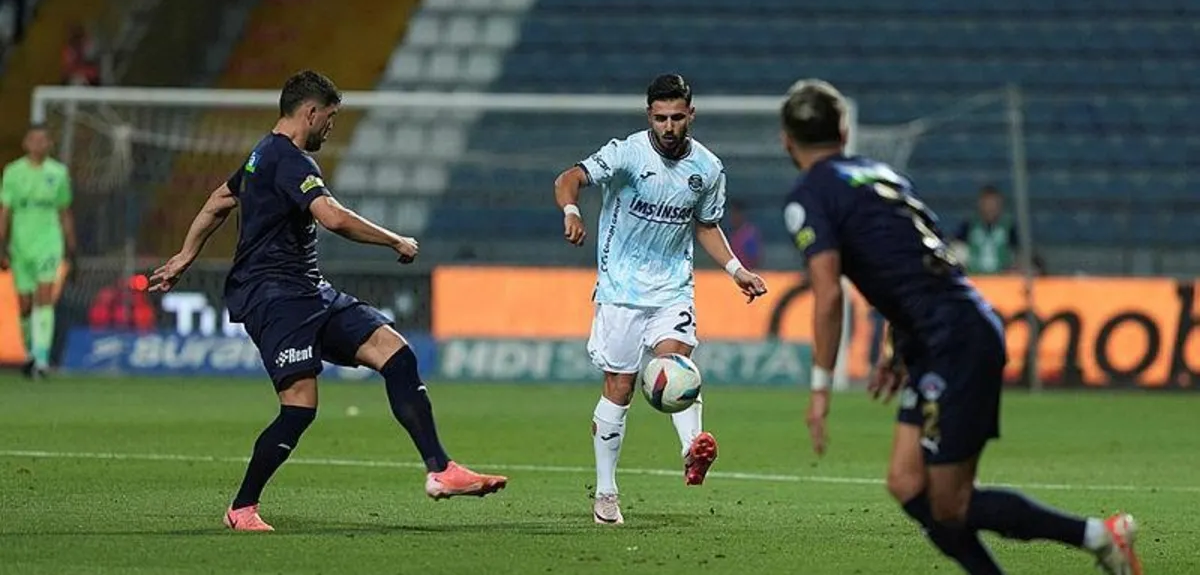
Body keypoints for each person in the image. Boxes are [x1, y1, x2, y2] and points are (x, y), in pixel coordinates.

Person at [778, 79, 1141, 575]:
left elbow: (828, 295)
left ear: (786, 140)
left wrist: (820, 389)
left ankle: (1100, 536)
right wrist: (899, 349)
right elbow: (912, 265)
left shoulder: (808, 196)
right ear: (844, 130)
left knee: (950, 503)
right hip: (942, 332)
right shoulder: (882, 174)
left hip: (952, 339)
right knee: (906, 483)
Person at [149, 70, 507, 532]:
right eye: (330, 118)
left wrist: (184, 255)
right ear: (310, 112)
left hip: (310, 290)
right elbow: (332, 218)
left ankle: (440, 470)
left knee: (396, 354)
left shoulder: (261, 155)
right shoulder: (289, 160)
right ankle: (242, 508)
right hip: (275, 297)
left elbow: (220, 199)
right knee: (299, 407)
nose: (330, 128)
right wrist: (395, 239)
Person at [553, 73, 768, 525]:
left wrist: (736, 270)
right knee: (621, 387)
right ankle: (607, 492)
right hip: (620, 290)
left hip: (672, 288)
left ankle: (692, 448)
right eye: (660, 118)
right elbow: (569, 178)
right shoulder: (627, 153)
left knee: (677, 366)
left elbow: (707, 225)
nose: (668, 127)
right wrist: (572, 210)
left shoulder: (707, 169)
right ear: (648, 116)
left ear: (691, 114)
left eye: (676, 117)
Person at [0, 127, 76, 379]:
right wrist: (1, 243)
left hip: (49, 243)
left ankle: (41, 358)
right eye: (33, 139)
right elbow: (5, 211)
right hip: (20, 245)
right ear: (25, 143)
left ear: (49, 144)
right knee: (24, 305)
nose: (38, 144)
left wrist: (71, 248)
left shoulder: (58, 173)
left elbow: (64, 212)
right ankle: (29, 353)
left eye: (43, 139)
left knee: (44, 297)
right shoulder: (12, 172)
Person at [952, 185, 1019, 275]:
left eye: (994, 204)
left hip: (1002, 279)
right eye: (987, 204)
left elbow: (1017, 252)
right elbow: (955, 248)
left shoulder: (1009, 227)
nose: (990, 208)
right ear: (980, 204)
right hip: (974, 278)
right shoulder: (969, 225)